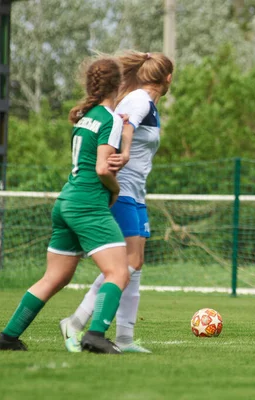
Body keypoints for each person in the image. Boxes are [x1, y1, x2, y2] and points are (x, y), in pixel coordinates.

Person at [0, 57, 129, 354]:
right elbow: (104, 169)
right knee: (119, 272)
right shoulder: (110, 119)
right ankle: (95, 334)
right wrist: (115, 192)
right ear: (119, 85)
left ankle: (8, 337)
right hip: (88, 204)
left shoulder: (86, 116)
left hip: (67, 200)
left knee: (55, 277)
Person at [59, 51, 174, 353]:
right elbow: (126, 126)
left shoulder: (147, 103)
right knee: (125, 265)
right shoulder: (139, 100)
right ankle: (76, 321)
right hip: (121, 191)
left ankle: (124, 336)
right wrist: (122, 154)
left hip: (136, 194)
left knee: (135, 263)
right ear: (169, 78)